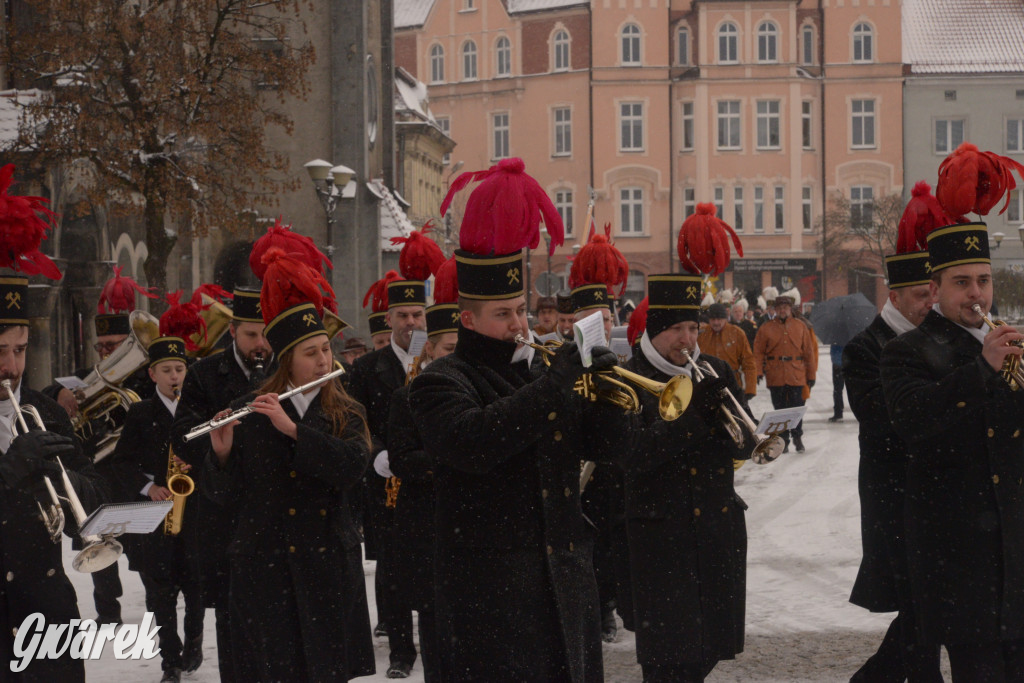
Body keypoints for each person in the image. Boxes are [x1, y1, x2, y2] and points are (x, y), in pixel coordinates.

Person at [409, 158, 630, 681]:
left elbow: (608, 449)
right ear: (468, 319)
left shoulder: (540, 371)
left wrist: (607, 398)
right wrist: (556, 386)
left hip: (564, 576)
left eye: (520, 310)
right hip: (491, 590)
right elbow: (474, 442)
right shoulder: (440, 381)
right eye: (503, 314)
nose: (519, 324)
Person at [207, 249, 375, 682]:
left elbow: (352, 467)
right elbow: (226, 498)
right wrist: (221, 455)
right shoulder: (249, 410)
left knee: (325, 669)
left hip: (326, 565)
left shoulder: (346, 410)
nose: (323, 361)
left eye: (325, 349)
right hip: (267, 568)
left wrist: (296, 431)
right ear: (286, 361)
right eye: (310, 353)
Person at [881, 221, 1024, 682]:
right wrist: (983, 368)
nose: (976, 294)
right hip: (960, 553)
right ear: (935, 288)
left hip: (1014, 545)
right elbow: (913, 420)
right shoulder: (907, 350)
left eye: (983, 280)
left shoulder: (1008, 346)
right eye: (961, 282)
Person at [1, 271, 107, 682]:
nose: (11, 367)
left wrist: (70, 486)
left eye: (21, 350)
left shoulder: (45, 411)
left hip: (47, 611)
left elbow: (97, 495)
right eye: (0, 351)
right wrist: (8, 473)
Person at [845, 249, 942, 682]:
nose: (930, 304)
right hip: (894, 496)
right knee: (919, 603)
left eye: (934, 294)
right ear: (895, 296)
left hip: (940, 491)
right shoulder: (865, 347)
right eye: (921, 295)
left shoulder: (940, 337)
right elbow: (882, 420)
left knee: (929, 604)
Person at [169, 286, 274, 682]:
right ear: (232, 331)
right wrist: (219, 443)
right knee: (233, 621)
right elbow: (182, 435)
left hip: (274, 510)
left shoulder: (286, 367)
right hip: (225, 513)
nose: (260, 345)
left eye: (267, 335)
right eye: (251, 335)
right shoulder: (205, 373)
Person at [349, 256, 436, 678]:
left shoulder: (439, 362)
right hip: (387, 481)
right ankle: (401, 651)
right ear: (389, 319)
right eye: (402, 315)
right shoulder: (367, 368)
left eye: (417, 314)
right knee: (394, 570)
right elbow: (356, 420)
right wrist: (378, 454)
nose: (410, 323)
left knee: (435, 563)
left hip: (430, 477)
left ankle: (437, 645)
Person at [107, 336, 203, 683]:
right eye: (166, 370)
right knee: (160, 594)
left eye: (179, 369)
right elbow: (121, 462)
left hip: (194, 514)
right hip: (156, 514)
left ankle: (194, 639)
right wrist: (149, 487)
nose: (174, 376)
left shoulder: (198, 411)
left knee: (196, 588)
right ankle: (170, 661)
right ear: (152, 375)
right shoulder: (141, 413)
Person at [384, 291, 459, 682]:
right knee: (433, 621)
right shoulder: (407, 396)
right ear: (430, 349)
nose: (456, 358)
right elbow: (402, 458)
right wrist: (451, 460)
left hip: (471, 524)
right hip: (427, 523)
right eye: (449, 350)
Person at [753, 294, 817, 453]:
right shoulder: (766, 328)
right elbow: (758, 352)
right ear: (775, 309)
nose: (783, 310)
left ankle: (797, 436)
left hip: (796, 373)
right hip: (775, 374)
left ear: (790, 309)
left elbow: (809, 352)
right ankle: (783, 440)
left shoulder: (800, 326)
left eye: (786, 308)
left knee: (797, 407)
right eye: (780, 308)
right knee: (780, 409)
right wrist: (758, 371)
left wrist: (811, 375)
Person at [699, 303, 757, 402]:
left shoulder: (737, 333)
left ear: (725, 319)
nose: (716, 323)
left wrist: (750, 389)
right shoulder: (701, 334)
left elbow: (748, 362)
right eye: (713, 319)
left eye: (719, 319)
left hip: (732, 384)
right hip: (707, 385)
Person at [830, 343, 846, 422]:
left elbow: (833, 351)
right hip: (850, 364)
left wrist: (835, 361)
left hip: (838, 365)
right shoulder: (853, 338)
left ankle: (838, 411)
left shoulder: (835, 338)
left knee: (837, 390)